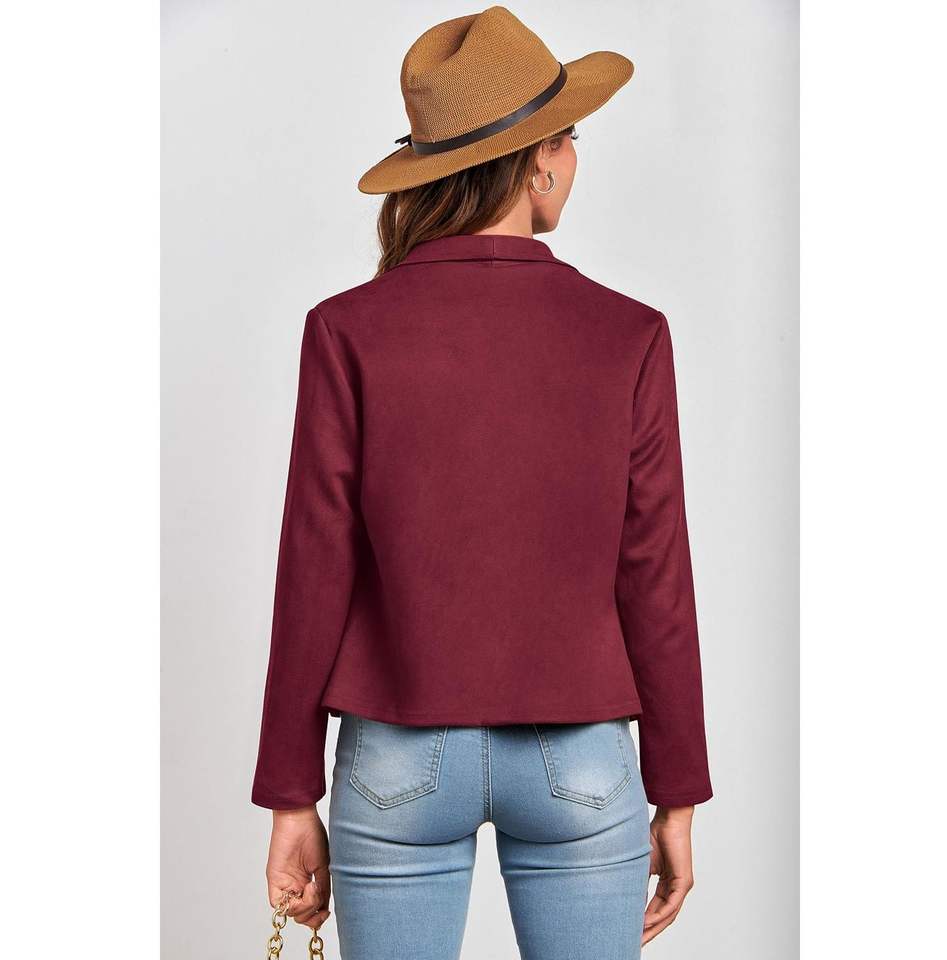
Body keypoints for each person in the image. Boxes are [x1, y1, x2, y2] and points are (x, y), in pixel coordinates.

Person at [252, 6, 712, 958]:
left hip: (397, 755)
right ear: (538, 158)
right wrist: (677, 789)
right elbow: (654, 573)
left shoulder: (347, 329)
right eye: (571, 138)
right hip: (581, 761)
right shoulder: (628, 334)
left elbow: (314, 568)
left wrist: (292, 792)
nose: (574, 161)